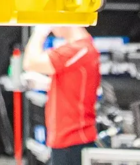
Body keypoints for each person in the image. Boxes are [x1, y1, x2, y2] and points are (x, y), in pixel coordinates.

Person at [23, 26, 101, 165]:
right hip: (67, 140)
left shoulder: (78, 50)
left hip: (72, 139)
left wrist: (40, 31)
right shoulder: (81, 49)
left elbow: (30, 62)